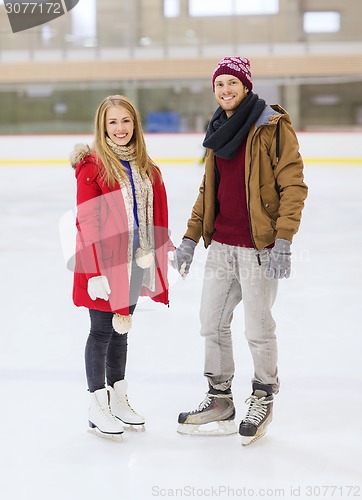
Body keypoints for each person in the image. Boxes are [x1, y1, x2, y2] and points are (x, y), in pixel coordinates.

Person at [172, 57, 308, 445]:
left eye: (233, 83)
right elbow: (208, 192)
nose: (226, 90)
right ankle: (220, 399)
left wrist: (283, 240)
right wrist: (189, 239)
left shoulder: (272, 127)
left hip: (258, 247)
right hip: (222, 247)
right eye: (220, 85)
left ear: (246, 86)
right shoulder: (218, 130)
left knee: (258, 328)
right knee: (210, 323)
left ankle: (263, 395)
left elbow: (294, 187)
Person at [70, 95, 173, 439]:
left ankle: (118, 398)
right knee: (100, 332)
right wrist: (95, 271)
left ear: (135, 124)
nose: (119, 129)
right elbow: (87, 221)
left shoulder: (145, 166)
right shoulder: (93, 165)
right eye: (112, 122)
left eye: (125, 121)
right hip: (104, 265)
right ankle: (96, 404)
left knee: (121, 331)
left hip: (134, 263)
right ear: (103, 126)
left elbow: (155, 216)